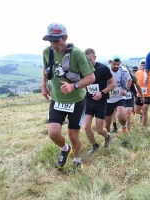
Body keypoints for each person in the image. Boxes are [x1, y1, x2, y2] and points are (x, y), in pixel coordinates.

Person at [41, 22, 95, 171]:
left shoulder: (77, 53)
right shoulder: (47, 51)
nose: (53, 44)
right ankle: (65, 149)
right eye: (50, 41)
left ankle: (77, 160)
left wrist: (74, 86)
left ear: (65, 37)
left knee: (73, 136)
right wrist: (44, 85)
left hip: (77, 100)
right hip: (57, 100)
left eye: (56, 40)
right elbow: (45, 67)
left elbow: (91, 77)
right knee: (53, 133)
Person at [83, 48, 116, 155]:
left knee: (99, 130)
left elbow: (112, 84)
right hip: (89, 101)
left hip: (101, 102)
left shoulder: (103, 68)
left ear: (95, 57)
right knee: (86, 127)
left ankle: (107, 136)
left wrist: (101, 93)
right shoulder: (82, 69)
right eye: (86, 60)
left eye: (90, 60)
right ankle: (95, 146)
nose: (88, 62)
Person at [105, 56, 132, 134]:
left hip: (120, 97)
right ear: (110, 63)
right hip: (108, 99)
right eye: (114, 64)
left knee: (121, 116)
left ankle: (123, 127)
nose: (116, 66)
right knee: (107, 123)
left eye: (118, 64)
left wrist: (126, 89)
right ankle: (107, 138)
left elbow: (130, 80)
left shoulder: (124, 71)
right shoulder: (105, 71)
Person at [123, 66, 144, 131]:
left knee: (127, 115)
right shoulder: (116, 76)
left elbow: (138, 86)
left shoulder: (132, 76)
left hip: (129, 97)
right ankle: (124, 128)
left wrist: (142, 96)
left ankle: (128, 131)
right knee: (122, 116)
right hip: (120, 99)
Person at [135, 59, 150, 126]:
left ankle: (143, 126)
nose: (143, 66)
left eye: (144, 65)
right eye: (142, 65)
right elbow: (135, 82)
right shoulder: (137, 73)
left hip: (148, 94)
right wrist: (136, 88)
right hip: (139, 94)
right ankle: (142, 115)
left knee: (145, 110)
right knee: (137, 111)